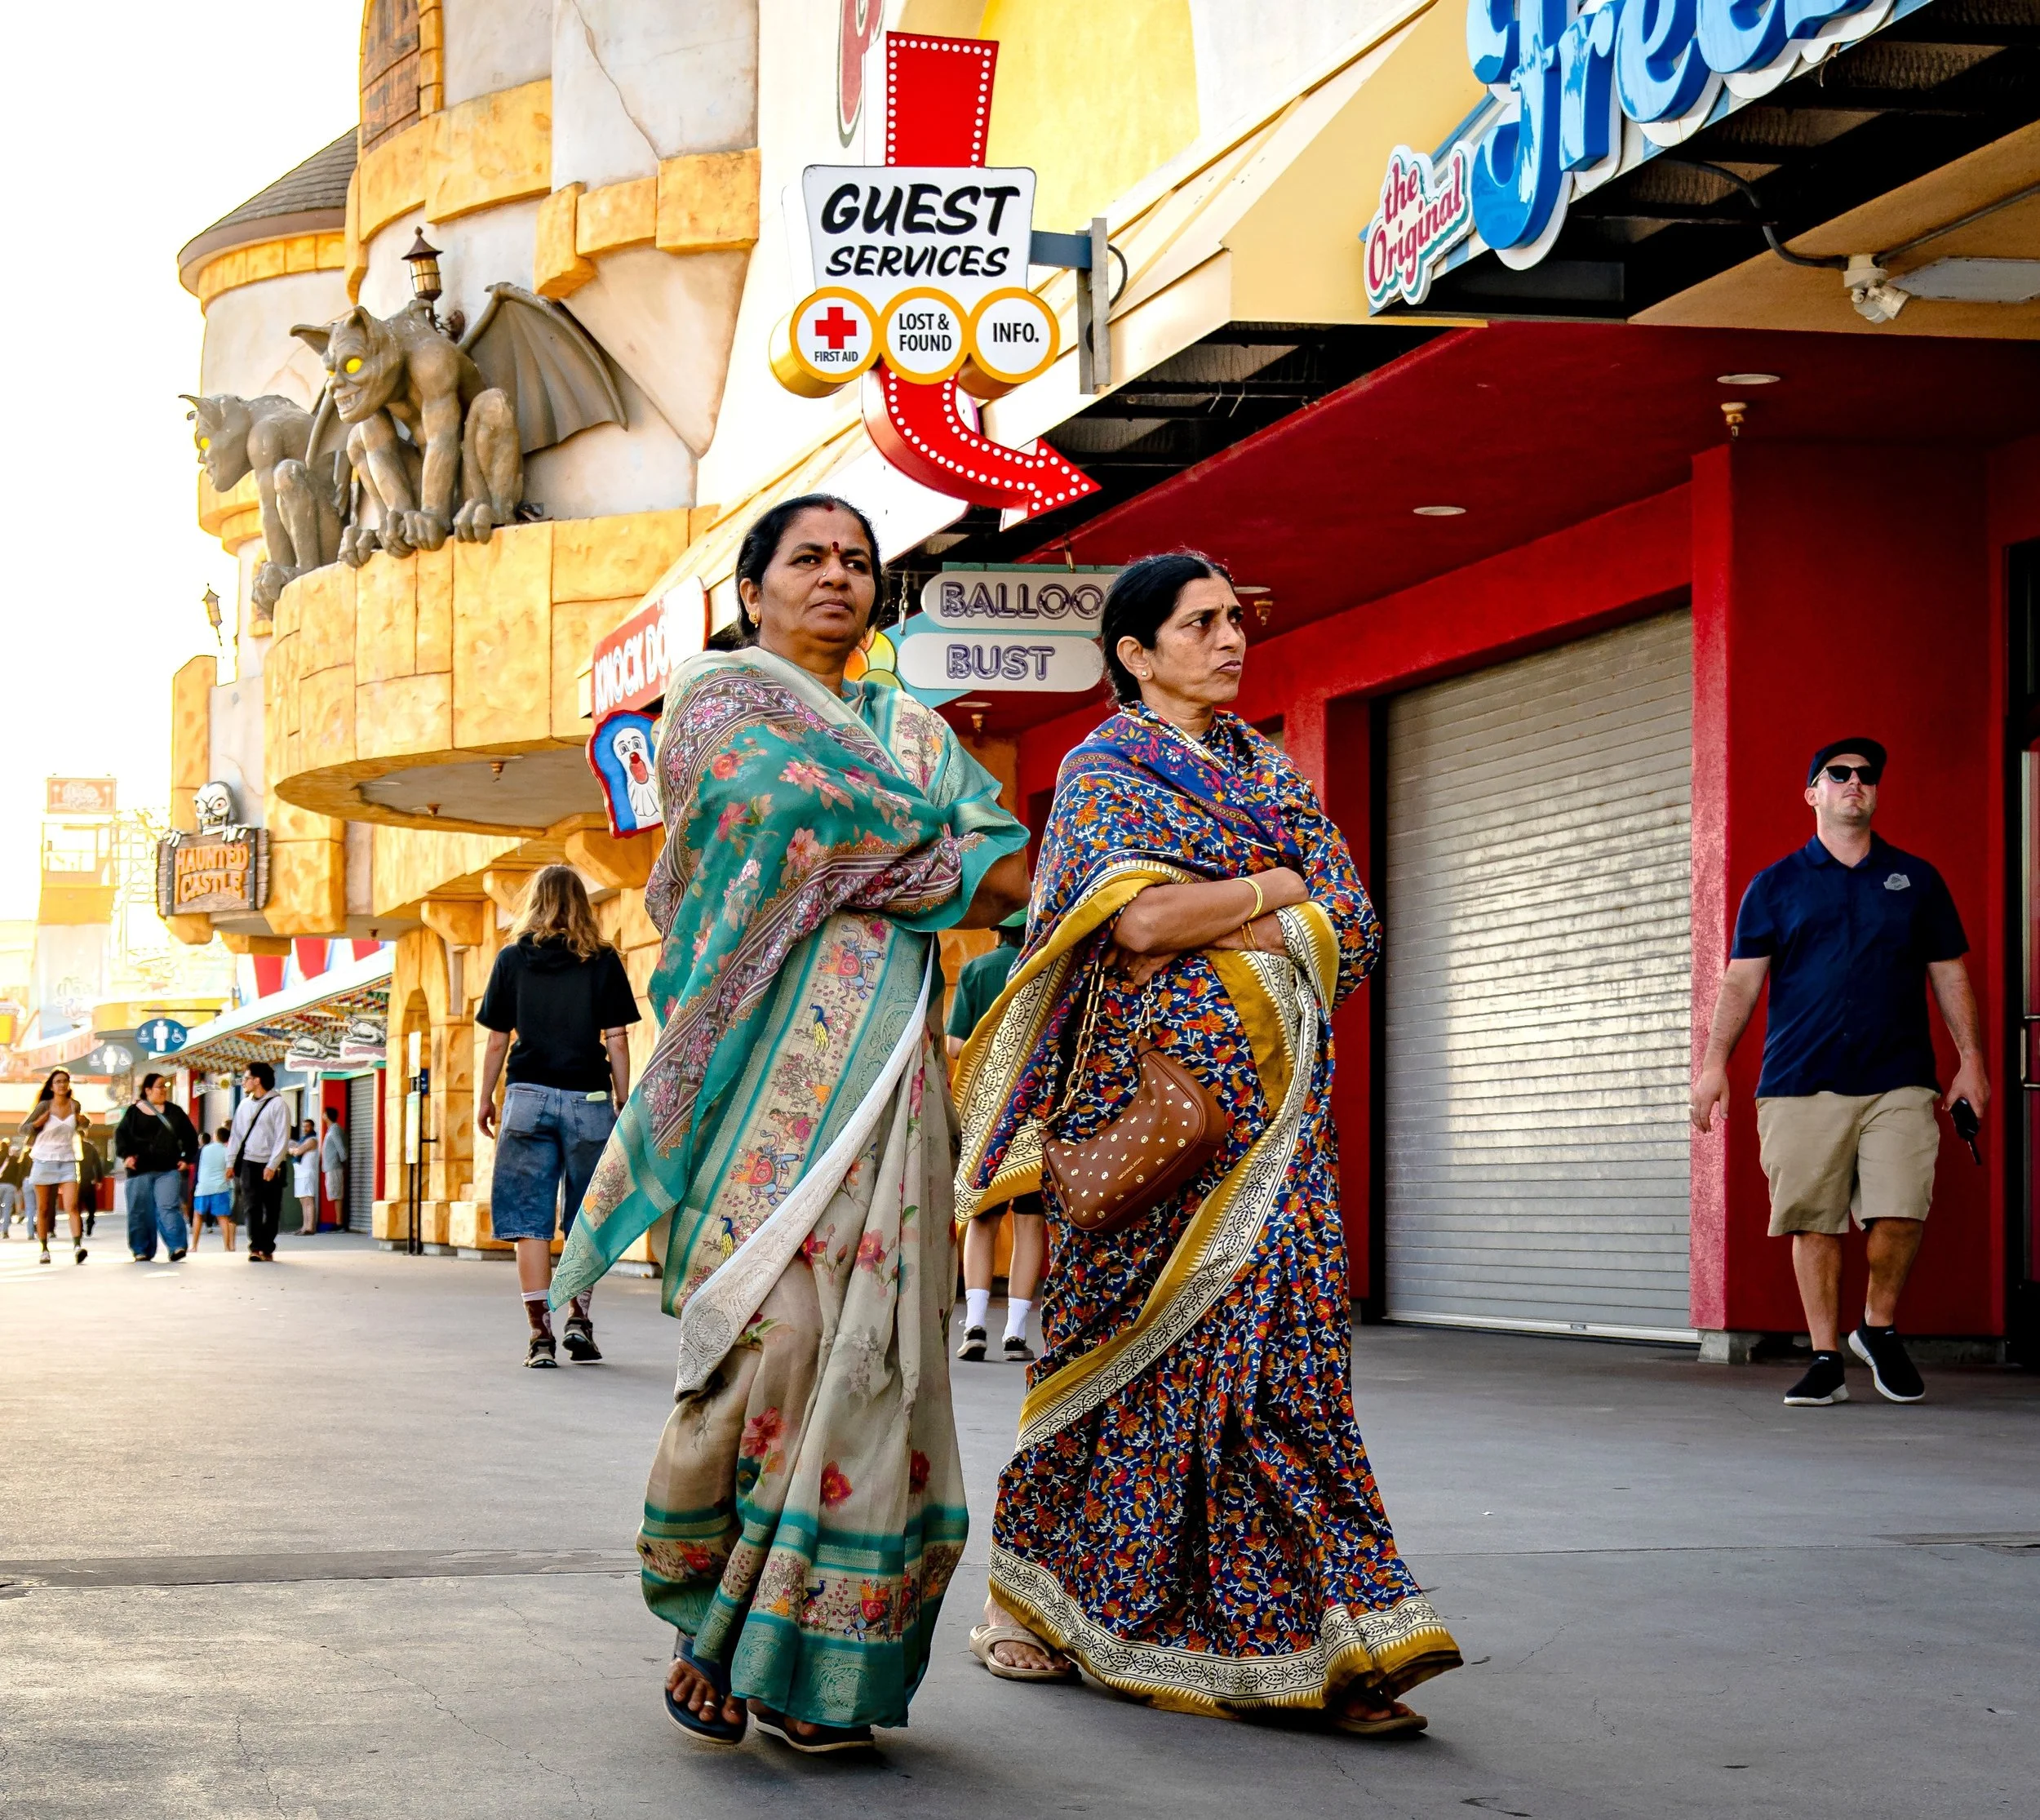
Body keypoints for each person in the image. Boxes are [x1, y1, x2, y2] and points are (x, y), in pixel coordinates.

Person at [954, 551, 1461, 1735]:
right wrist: (1276, 888)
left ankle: (1327, 1645)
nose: (1232, 639)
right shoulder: (1100, 773)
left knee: (1283, 1380)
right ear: (1136, 654)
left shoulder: (1270, 769)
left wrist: (1246, 898)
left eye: (1237, 619)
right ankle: (1031, 1605)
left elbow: (1358, 924)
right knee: (1109, 1367)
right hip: (1153, 1136)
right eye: (1202, 623)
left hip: (1282, 1146)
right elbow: (1133, 915)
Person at [552, 494, 1028, 1752]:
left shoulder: (911, 730)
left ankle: (820, 1665)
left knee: (879, 1357)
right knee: (775, 1337)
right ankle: (709, 1622)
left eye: (859, 562)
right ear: (753, 589)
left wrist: (903, 855)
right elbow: (799, 824)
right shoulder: (714, 704)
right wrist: (925, 856)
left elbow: (1003, 854)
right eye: (807, 558)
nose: (837, 576)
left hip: (889, 1087)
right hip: (759, 1081)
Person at [1692, 739, 1987, 1406]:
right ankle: (1826, 1358)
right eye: (1840, 774)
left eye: (1868, 775)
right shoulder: (1775, 886)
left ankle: (1877, 1328)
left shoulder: (1917, 880)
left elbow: (1950, 975)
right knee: (1814, 1221)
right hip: (1800, 1079)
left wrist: (1971, 1062)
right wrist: (1713, 1065)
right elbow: (1740, 984)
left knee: (1902, 1208)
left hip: (1900, 1078)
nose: (1857, 782)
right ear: (1813, 793)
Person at [475, 866, 642, 1369]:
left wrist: (485, 1097)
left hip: (526, 1097)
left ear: (534, 903)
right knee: (585, 1217)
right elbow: (616, 1038)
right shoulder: (603, 960)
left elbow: (498, 1039)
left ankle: (539, 1338)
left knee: (530, 1221)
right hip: (588, 1098)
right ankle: (579, 1322)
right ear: (582, 905)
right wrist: (621, 1096)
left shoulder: (511, 960)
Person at [947, 912, 1044, 1361]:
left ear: (997, 931)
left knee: (982, 1219)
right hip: (1036, 1113)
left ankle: (977, 1326)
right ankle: (1017, 1333)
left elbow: (954, 1046)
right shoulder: (1046, 972)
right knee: (1029, 1222)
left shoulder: (976, 970)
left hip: (986, 1113)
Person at [115, 1073, 199, 1262]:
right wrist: (126, 1155)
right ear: (148, 1090)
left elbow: (190, 1138)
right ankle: (141, 1249)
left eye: (165, 1086)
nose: (164, 1090)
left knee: (168, 1207)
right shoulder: (133, 1113)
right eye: (160, 1086)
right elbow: (121, 1136)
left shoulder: (175, 1112)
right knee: (139, 1211)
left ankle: (177, 1246)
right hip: (139, 1169)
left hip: (168, 1169)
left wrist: (186, 1158)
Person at [20, 1069, 91, 1265]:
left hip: (68, 1160)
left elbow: (84, 1126)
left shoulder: (74, 1105)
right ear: (51, 1086)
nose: (62, 1085)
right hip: (43, 1161)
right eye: (58, 1082)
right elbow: (23, 1129)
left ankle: (78, 1247)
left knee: (72, 1206)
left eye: (65, 1081)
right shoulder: (44, 1106)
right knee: (43, 1209)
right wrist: (38, 1122)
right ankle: (44, 1249)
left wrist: (84, 1122)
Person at [224, 1062, 292, 1262]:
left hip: (273, 1165)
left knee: (271, 1207)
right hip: (249, 1163)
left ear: (257, 1080)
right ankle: (255, 1247)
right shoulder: (244, 1105)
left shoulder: (278, 1104)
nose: (243, 1082)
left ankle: (267, 1246)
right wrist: (230, 1163)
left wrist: (273, 1165)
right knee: (251, 1205)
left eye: (246, 1078)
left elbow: (282, 1137)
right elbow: (236, 1136)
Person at [192, 1125, 235, 1251]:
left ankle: (194, 1246)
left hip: (203, 1187)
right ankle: (227, 1247)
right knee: (223, 1218)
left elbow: (196, 1163)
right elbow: (230, 1172)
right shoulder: (228, 1151)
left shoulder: (204, 1149)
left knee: (198, 1216)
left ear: (216, 1136)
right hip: (220, 1188)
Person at [289, 1118, 322, 1237]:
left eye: (307, 1126)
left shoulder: (312, 1140)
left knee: (308, 1199)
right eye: (303, 1126)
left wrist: (292, 1150)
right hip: (300, 1173)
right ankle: (304, 1226)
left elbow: (298, 1151)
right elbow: (296, 1147)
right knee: (303, 1200)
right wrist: (293, 1148)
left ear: (312, 1127)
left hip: (307, 1173)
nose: (305, 1129)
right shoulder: (304, 1140)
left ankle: (310, 1227)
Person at [321, 1106, 348, 1225]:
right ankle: (338, 1221)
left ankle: (339, 1222)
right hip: (330, 1167)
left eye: (324, 1113)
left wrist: (343, 1160)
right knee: (334, 1193)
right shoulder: (331, 1129)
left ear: (327, 1115)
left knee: (337, 1194)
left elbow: (341, 1148)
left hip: (335, 1166)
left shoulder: (335, 1129)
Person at [0, 1142, 22, 1239]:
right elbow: (19, 1174)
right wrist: (18, 1186)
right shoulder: (14, 1160)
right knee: (7, 1208)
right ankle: (5, 1231)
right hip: (10, 1186)